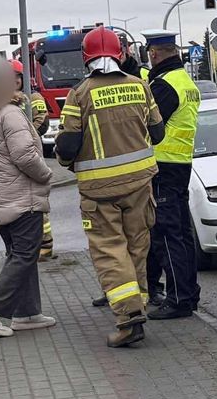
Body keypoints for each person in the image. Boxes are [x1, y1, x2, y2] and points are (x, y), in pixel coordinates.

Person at [56, 27, 164, 347]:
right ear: (121, 54)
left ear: (85, 58)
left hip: (98, 191)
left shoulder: (80, 94)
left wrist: (64, 163)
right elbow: (156, 133)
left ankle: (129, 319)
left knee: (110, 251)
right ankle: (139, 304)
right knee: (136, 248)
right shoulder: (140, 87)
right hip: (140, 185)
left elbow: (68, 145)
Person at [0, 57, 55, 338]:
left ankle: (27, 313)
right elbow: (24, 155)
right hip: (21, 196)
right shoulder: (10, 113)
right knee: (26, 254)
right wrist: (46, 174)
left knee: (19, 255)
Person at [140, 29, 200, 320]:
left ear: (153, 53)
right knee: (183, 234)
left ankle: (178, 299)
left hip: (162, 165)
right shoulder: (184, 80)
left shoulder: (163, 85)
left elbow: (148, 126)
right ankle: (189, 293)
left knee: (167, 234)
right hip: (180, 163)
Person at [11, 59, 53, 260]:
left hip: (31, 153)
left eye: (16, 78)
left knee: (37, 203)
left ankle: (46, 245)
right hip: (16, 157)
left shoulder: (33, 97)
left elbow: (42, 122)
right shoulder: (5, 99)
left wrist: (25, 137)